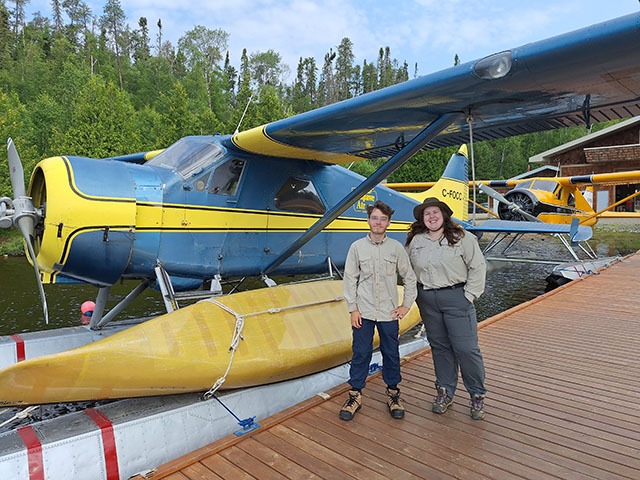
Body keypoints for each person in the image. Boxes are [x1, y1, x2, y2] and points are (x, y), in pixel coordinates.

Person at [405, 197, 488, 420]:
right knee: (440, 348)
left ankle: (477, 394)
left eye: (435, 212)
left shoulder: (463, 238)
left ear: (443, 214)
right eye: (427, 214)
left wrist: (469, 295)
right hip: (428, 300)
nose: (431, 217)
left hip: (456, 297)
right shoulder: (415, 241)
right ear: (422, 219)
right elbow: (407, 271)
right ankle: (444, 391)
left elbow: (478, 267)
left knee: (466, 348)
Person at [340, 200, 417, 421]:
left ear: (388, 223)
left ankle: (393, 393)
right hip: (363, 312)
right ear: (368, 220)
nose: (378, 222)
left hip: (388, 313)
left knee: (391, 353)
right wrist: (352, 309)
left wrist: (406, 305)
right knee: (361, 353)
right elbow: (350, 280)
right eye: (375, 218)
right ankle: (355, 395)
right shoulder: (356, 247)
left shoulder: (396, 248)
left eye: (383, 219)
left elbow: (410, 278)